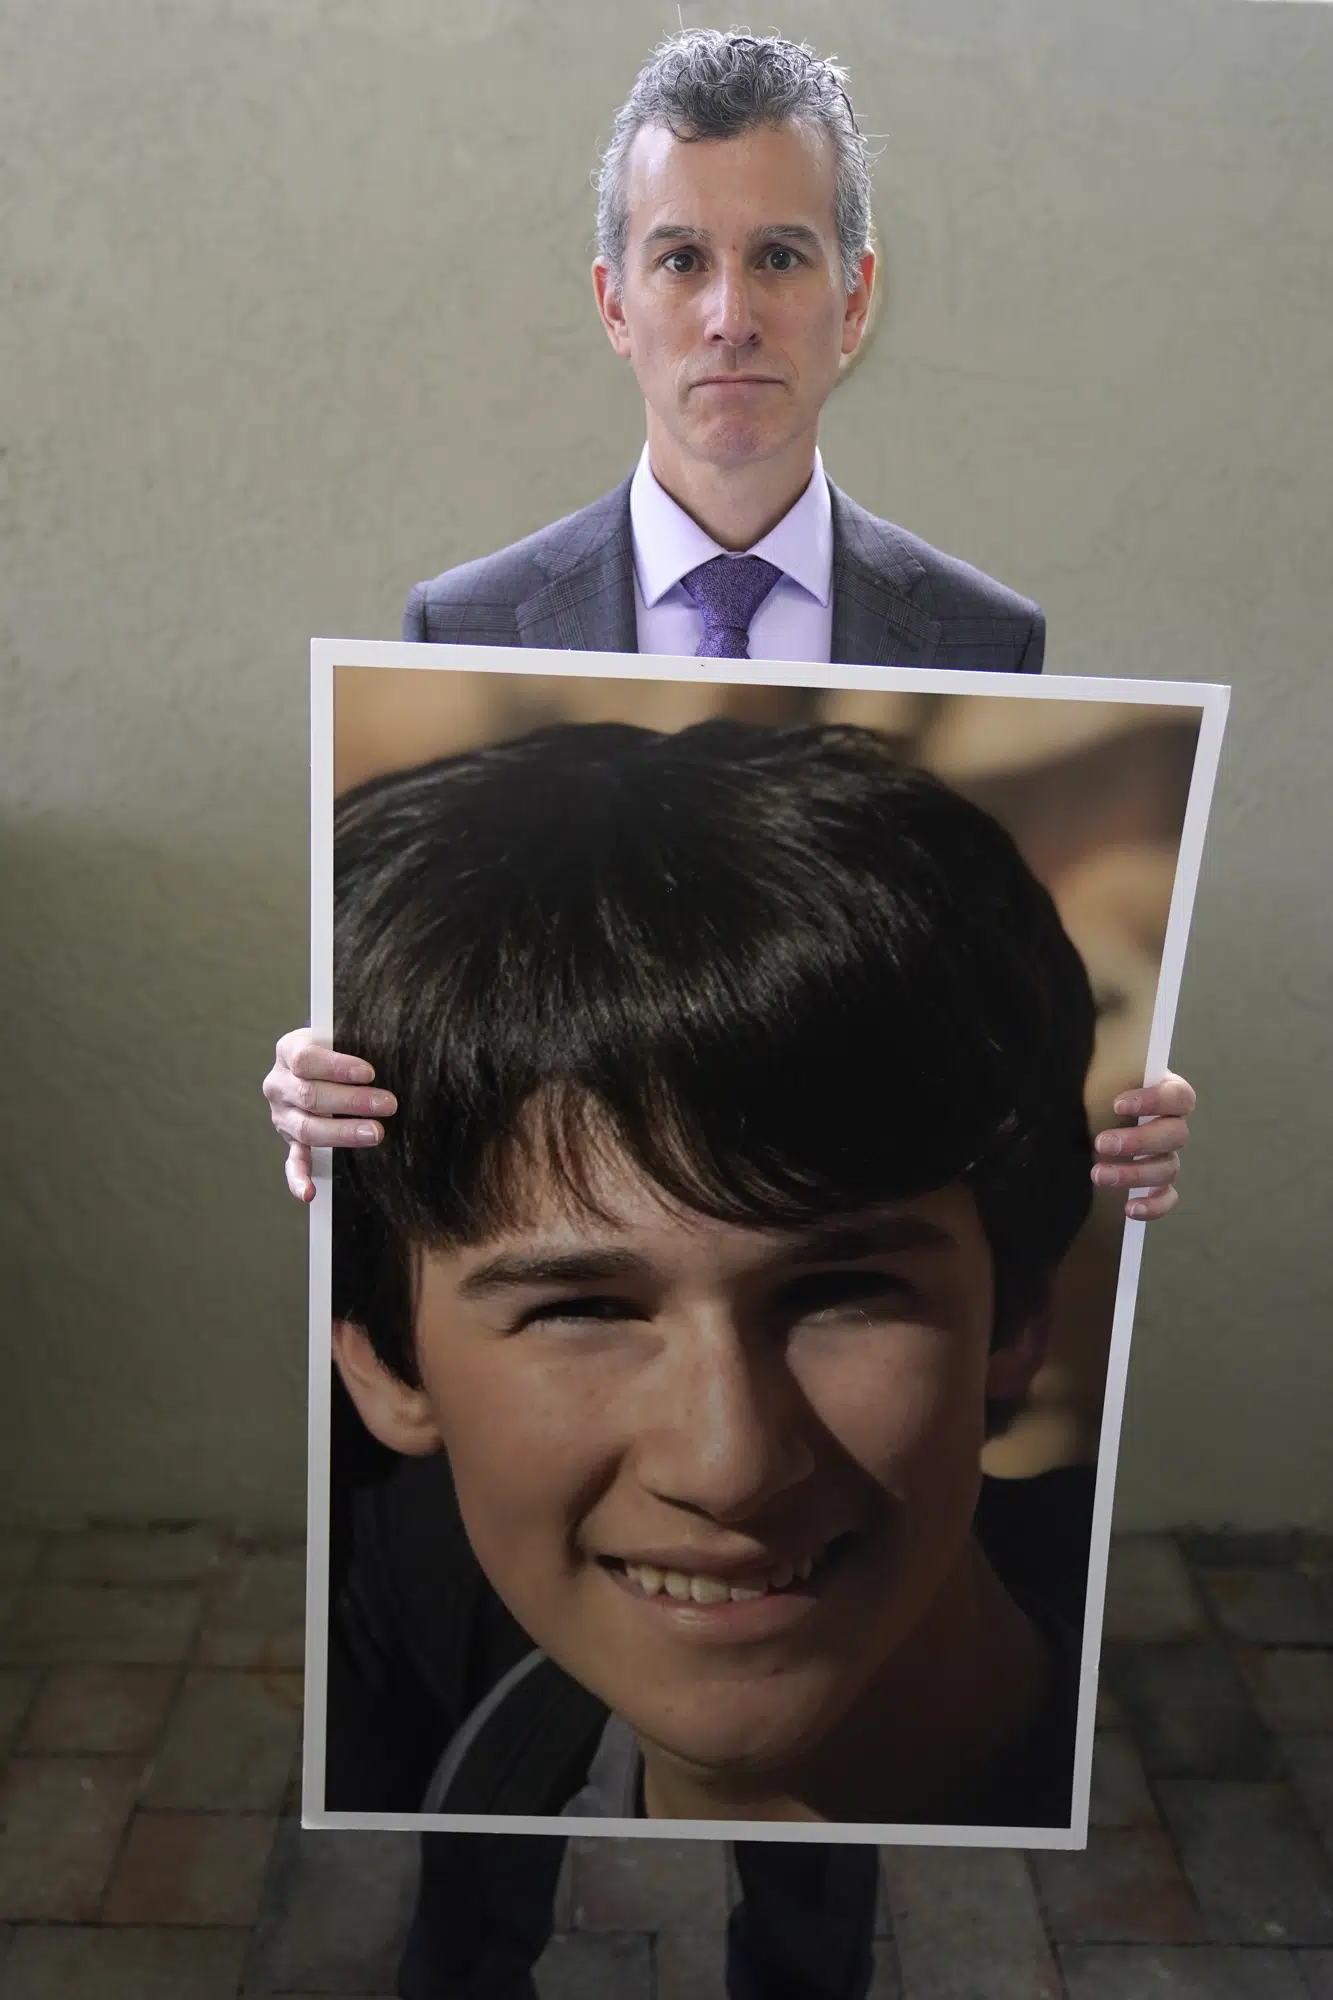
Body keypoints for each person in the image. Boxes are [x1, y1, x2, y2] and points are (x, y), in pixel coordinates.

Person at [264, 29, 1196, 2000]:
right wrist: (328, 1084)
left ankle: (807, 1955)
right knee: (474, 1808)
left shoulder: (980, 640)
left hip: (823, 1270)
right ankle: (475, 1942)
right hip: (566, 1313)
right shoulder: (468, 629)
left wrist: (1113, 1100)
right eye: (680, 259)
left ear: (852, 298)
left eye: (780, 259)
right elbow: (436, 1029)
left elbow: (960, 1032)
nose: (729, 312)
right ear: (614, 302)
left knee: (824, 1780)